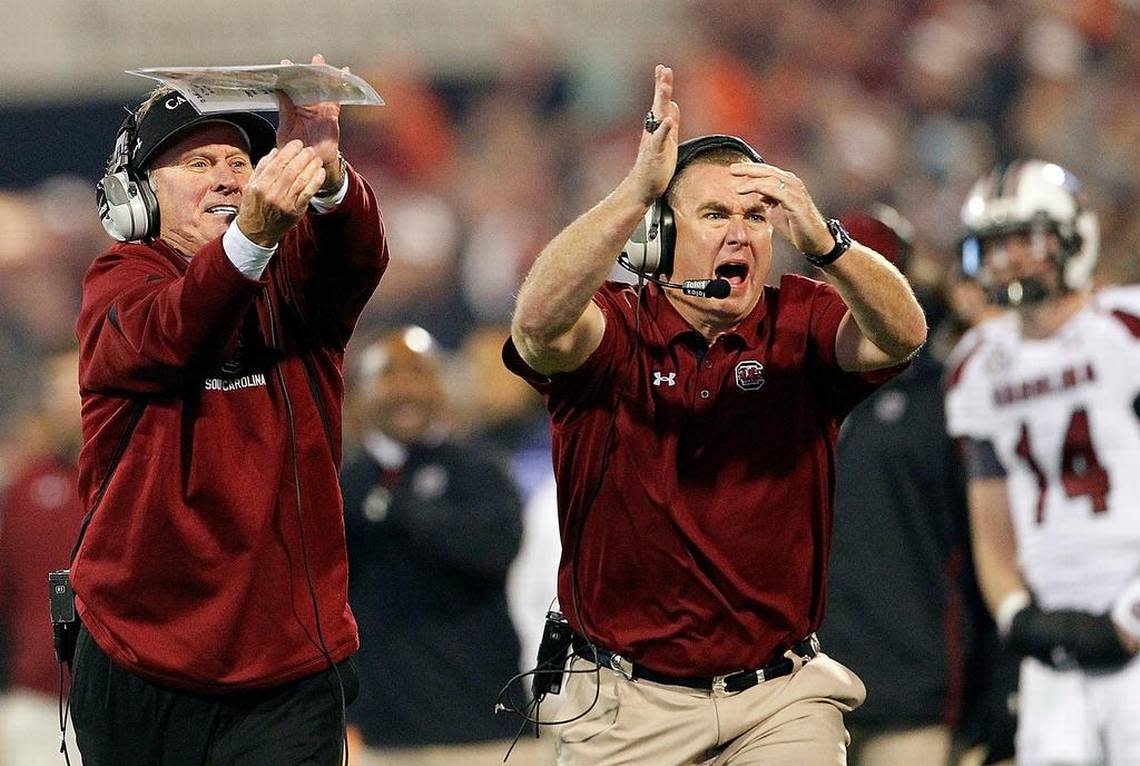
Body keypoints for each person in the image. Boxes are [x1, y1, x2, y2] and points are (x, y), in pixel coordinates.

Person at [504, 64, 927, 766]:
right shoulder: (615, 325)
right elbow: (538, 330)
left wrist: (827, 242)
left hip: (779, 695)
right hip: (623, 702)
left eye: (756, 216)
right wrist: (635, 191)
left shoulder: (801, 316)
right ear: (659, 238)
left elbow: (902, 333)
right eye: (716, 214)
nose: (742, 234)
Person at [68, 53, 388, 766]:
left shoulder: (294, 279)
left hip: (288, 666)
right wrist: (253, 237)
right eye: (198, 163)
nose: (227, 177)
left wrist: (330, 176)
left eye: (238, 161)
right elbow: (176, 329)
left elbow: (357, 256)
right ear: (136, 199)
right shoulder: (117, 284)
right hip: (138, 657)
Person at [945, 159, 1140, 766]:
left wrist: (1133, 616)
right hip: (1051, 643)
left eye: (1024, 238)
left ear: (1072, 237)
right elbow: (992, 524)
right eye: (993, 244)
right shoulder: (977, 365)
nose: (1006, 259)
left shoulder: (1127, 331)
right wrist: (1018, 616)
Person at [821, 208, 982, 766]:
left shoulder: (947, 400)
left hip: (912, 694)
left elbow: (983, 551)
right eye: (831, 274)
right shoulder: (776, 391)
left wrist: (987, 688)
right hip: (800, 698)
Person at [340, 326, 536, 765]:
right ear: (360, 392)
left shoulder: (480, 471)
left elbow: (496, 548)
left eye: (419, 372)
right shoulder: (340, 486)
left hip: (484, 727)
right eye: (390, 374)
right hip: (382, 736)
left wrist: (400, 512)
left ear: (443, 386)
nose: (406, 389)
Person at [0, 350, 85, 765]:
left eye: (72, 387)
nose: (63, 401)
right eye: (53, 390)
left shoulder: (131, 480)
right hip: (35, 702)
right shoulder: (24, 487)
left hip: (121, 697)